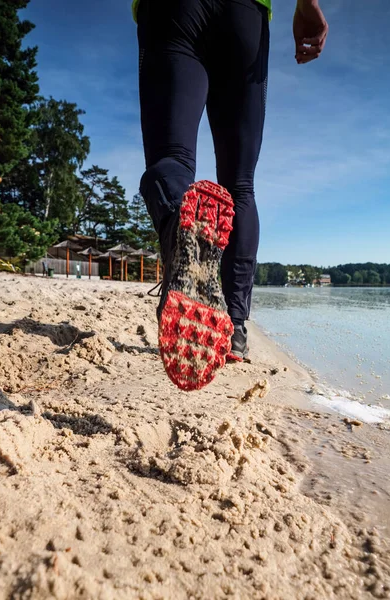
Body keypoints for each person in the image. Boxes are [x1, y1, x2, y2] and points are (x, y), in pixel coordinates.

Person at [134, 0, 328, 391]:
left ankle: (177, 224)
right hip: (246, 15)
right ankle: (235, 327)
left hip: (174, 13)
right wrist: (307, 4)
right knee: (240, 185)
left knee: (171, 159)